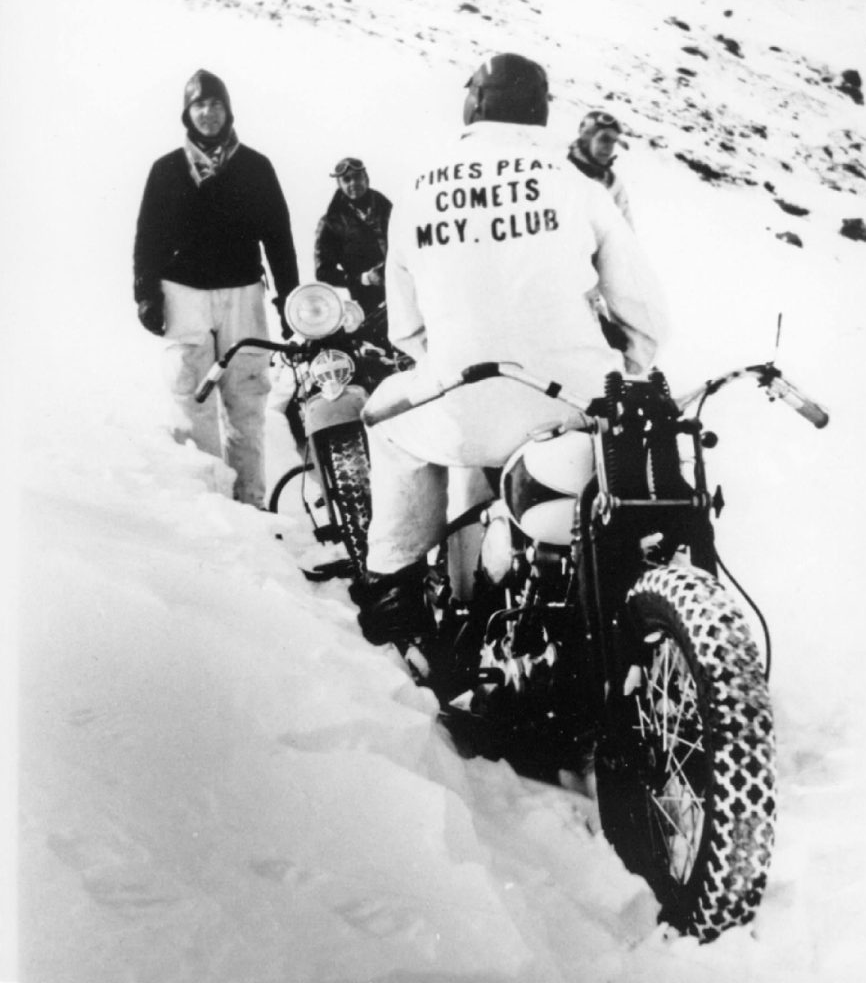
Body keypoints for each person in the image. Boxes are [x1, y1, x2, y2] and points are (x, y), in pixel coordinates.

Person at [353, 52, 667, 657]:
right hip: (573, 407)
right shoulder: (577, 185)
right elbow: (645, 317)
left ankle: (396, 580)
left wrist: (456, 360)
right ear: (541, 113)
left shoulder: (419, 190)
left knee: (388, 423)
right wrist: (629, 366)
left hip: (463, 404)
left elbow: (406, 330)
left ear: (473, 103)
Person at [133, 68, 299, 508]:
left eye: (216, 104)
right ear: (187, 113)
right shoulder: (167, 170)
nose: (208, 113)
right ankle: (211, 507)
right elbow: (147, 237)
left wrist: (289, 298)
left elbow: (278, 237)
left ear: (228, 111)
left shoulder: (256, 168)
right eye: (199, 105)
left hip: (243, 295)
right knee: (191, 399)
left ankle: (252, 503)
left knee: (246, 400)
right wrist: (146, 294)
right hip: (183, 296)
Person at [314, 158, 393, 344]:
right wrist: (364, 278)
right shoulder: (331, 223)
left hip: (403, 293)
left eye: (357, 177)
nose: (353, 184)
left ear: (366, 178)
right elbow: (323, 272)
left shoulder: (388, 209)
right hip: (369, 307)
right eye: (346, 180)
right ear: (339, 184)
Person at [567, 109, 634, 227]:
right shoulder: (559, 170)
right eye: (604, 139)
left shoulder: (613, 184)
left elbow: (627, 233)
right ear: (586, 140)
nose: (609, 148)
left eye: (613, 141)